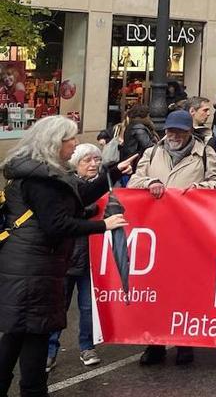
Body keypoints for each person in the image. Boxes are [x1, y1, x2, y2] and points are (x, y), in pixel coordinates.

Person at [0, 118, 129, 396]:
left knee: (15, 334)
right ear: (54, 142)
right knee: (34, 337)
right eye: (70, 139)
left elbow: (76, 197)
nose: (75, 143)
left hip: (24, 265)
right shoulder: (42, 180)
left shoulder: (35, 173)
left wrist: (113, 172)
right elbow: (57, 224)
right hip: (35, 270)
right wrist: (102, 226)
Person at [128, 109, 216, 365]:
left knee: (185, 289)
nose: (173, 136)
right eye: (170, 131)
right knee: (156, 289)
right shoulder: (153, 152)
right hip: (156, 232)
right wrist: (149, 184)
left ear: (189, 132)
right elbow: (134, 181)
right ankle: (154, 344)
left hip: (188, 231)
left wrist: (197, 190)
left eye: (179, 131)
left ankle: (184, 343)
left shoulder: (204, 153)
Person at [45, 143, 134, 371]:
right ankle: (49, 351)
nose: (93, 164)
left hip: (92, 259)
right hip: (66, 257)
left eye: (96, 159)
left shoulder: (106, 185)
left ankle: (87, 347)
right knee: (58, 307)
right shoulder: (67, 184)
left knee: (88, 307)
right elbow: (66, 214)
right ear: (76, 163)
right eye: (87, 160)